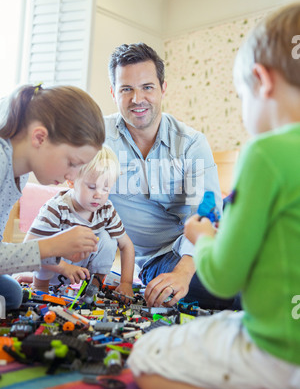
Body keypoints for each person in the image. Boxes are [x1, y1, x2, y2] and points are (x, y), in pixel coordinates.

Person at [127, 3, 300, 389]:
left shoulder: (263, 154)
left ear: (262, 81)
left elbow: (223, 275)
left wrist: (203, 236)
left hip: (278, 348)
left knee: (145, 359)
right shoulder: (106, 140)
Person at [105, 42, 239, 310]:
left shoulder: (190, 144)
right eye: (126, 89)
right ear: (113, 93)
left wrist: (184, 272)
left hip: (199, 248)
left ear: (163, 89)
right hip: (157, 258)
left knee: (264, 273)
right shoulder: (97, 138)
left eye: (147, 87)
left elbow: (206, 213)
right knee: (228, 293)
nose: (137, 99)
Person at [0, 84, 105, 310]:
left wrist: (56, 253)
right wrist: (51, 246)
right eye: (72, 163)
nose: (73, 175)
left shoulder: (20, 171)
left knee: (11, 295)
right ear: (40, 137)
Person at [25, 146, 135, 299]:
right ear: (71, 182)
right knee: (44, 244)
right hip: (53, 267)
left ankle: (93, 289)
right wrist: (63, 267)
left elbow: (126, 245)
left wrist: (127, 283)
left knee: (108, 239)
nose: (98, 195)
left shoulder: (106, 209)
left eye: (106, 188)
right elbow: (30, 248)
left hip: (81, 272)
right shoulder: (56, 208)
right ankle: (39, 285)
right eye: (91, 187)